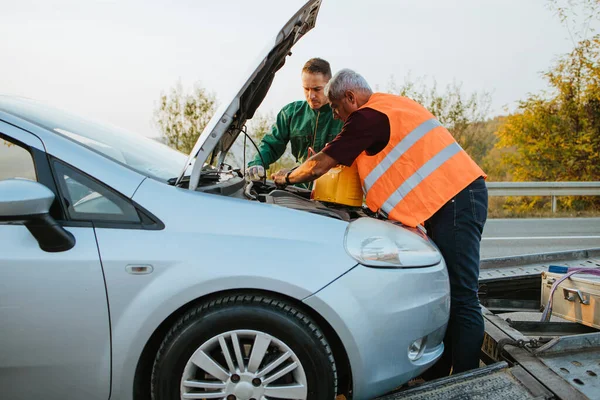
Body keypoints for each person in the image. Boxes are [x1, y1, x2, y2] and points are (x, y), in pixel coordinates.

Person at [272, 68, 488, 378]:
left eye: (336, 107)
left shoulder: (368, 116)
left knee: (463, 296)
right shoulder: (386, 107)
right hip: (454, 200)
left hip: (457, 201)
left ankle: (468, 382)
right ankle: (438, 374)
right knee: (450, 293)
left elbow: (324, 162)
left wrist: (287, 177)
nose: (335, 115)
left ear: (350, 97)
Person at [245, 58, 343, 184]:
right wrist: (257, 164)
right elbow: (271, 145)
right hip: (298, 189)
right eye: (306, 89)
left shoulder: (344, 115)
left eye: (317, 89)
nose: (311, 96)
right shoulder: (290, 113)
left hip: (333, 193)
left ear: (330, 85)